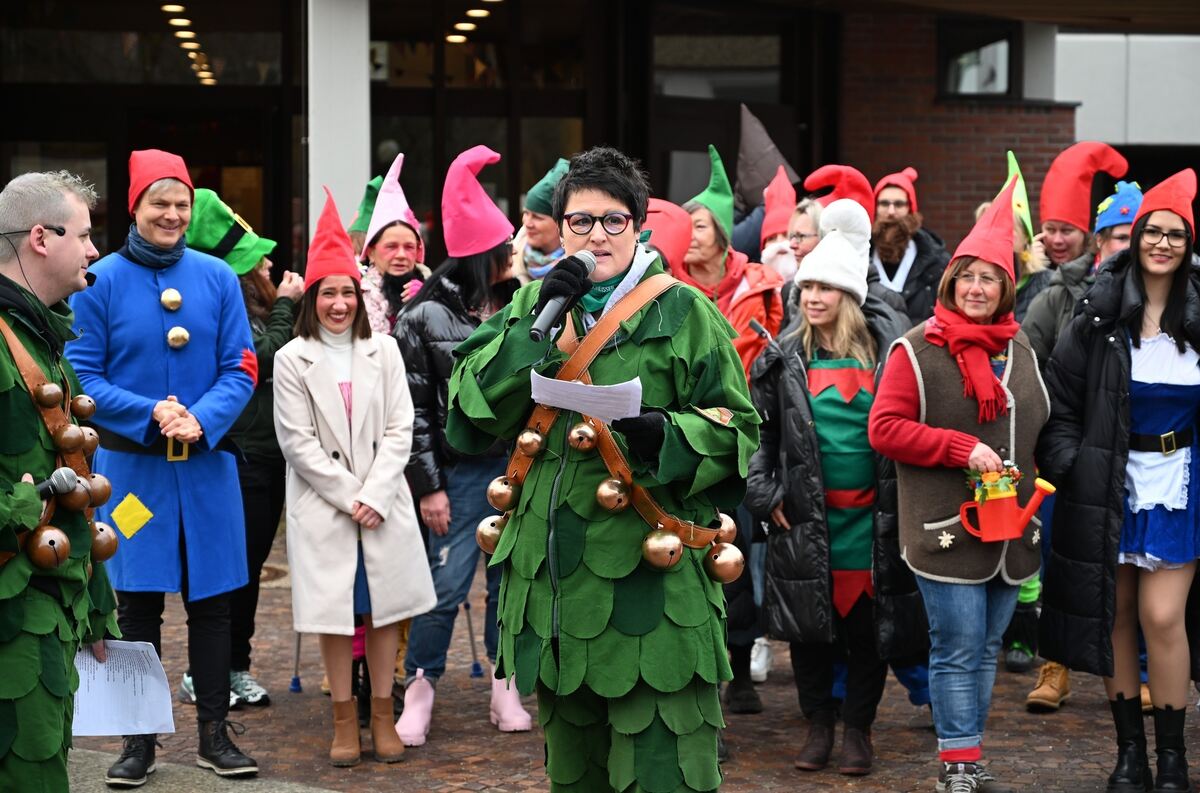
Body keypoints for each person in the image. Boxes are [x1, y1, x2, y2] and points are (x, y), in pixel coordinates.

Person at [446, 145, 759, 792]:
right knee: (576, 775)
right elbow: (469, 415)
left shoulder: (686, 311)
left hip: (652, 586)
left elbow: (741, 430)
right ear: (559, 229)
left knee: (660, 769)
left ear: (638, 226)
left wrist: (667, 434)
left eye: (614, 220)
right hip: (558, 598)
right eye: (581, 221)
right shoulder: (532, 302)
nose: (597, 235)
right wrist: (535, 325)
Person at [67, 150, 259, 785]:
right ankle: (137, 743)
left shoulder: (218, 277)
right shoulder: (101, 282)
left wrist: (200, 417)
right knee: (137, 607)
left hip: (205, 469)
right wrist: (154, 413)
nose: (172, 214)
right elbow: (83, 376)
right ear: (136, 208)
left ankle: (213, 735)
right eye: (160, 203)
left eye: (181, 204)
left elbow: (242, 366)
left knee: (213, 607)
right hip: (134, 475)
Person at [869, 176, 1049, 793]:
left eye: (989, 277)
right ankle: (957, 766)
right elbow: (885, 428)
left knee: (987, 647)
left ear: (1006, 288)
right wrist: (960, 447)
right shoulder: (915, 350)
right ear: (951, 282)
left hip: (1012, 533)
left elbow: (1042, 423)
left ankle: (970, 756)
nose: (977, 287)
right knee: (956, 647)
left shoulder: (1020, 349)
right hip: (945, 531)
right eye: (967, 275)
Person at [1037, 169, 1200, 793]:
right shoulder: (1098, 315)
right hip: (1108, 479)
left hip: (1181, 477)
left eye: (1175, 234)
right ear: (1133, 238)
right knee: (1116, 614)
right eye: (1152, 232)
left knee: (1162, 615)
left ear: (1188, 243)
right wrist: (1072, 464)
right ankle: (1130, 753)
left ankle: (1176, 757)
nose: (1162, 243)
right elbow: (1062, 401)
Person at [747, 198, 915, 776]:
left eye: (825, 289)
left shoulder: (886, 357)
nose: (812, 298)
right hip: (806, 519)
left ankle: (858, 732)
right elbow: (760, 439)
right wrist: (767, 497)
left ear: (847, 295)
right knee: (811, 633)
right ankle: (818, 726)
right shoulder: (784, 358)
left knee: (868, 635)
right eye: (807, 288)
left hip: (870, 522)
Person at [273, 188, 436, 767]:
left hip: (384, 500)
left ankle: (382, 715)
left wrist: (376, 493)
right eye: (327, 294)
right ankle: (345, 718)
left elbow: (401, 427)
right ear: (311, 298)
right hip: (328, 507)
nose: (338, 304)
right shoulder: (292, 358)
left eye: (346, 292)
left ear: (358, 296)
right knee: (336, 615)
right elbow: (298, 442)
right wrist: (349, 497)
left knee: (387, 607)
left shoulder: (384, 350)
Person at [393, 145, 529, 745]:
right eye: (506, 251)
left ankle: (506, 685)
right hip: (458, 473)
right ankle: (420, 686)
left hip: (519, 464)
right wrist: (430, 487)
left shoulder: (521, 307)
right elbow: (413, 412)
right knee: (444, 586)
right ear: (483, 257)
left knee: (511, 581)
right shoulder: (420, 320)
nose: (515, 257)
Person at [0, 170, 117, 791]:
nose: (95, 250)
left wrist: (98, 606)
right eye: (86, 235)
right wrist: (28, 500)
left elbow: (73, 476)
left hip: (50, 613)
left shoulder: (42, 339)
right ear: (41, 238)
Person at [1020, 141, 1130, 713]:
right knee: (1063, 561)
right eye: (1116, 236)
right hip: (1073, 454)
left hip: (1141, 458)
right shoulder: (1058, 295)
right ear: (1101, 239)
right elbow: (1029, 370)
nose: (1123, 248)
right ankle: (1055, 665)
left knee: (1136, 567)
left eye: (1131, 237)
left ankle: (1135, 672)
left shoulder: (1172, 299)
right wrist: (1058, 450)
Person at [184, 187, 304, 708]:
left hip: (267, 453)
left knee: (250, 566)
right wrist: (284, 306)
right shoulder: (214, 300)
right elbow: (257, 360)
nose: (269, 262)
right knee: (224, 567)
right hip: (236, 453)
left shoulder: (247, 297)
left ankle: (235, 666)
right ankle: (204, 671)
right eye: (255, 257)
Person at [678, 144, 784, 378]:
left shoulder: (758, 286)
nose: (689, 235)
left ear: (722, 235)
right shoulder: (668, 287)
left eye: (700, 227)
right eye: (686, 227)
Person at [871, 167, 952, 323]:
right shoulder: (860, 256)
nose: (891, 212)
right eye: (884, 203)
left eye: (899, 204)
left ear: (910, 209)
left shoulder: (937, 262)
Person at [360, 154, 429, 335]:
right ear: (371, 252)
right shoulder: (355, 296)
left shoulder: (432, 289)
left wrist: (428, 304)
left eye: (409, 247)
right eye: (391, 247)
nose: (401, 255)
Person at [513, 158, 569, 281]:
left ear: (560, 224)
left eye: (537, 217)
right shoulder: (511, 261)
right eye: (526, 213)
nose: (527, 223)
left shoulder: (579, 271)